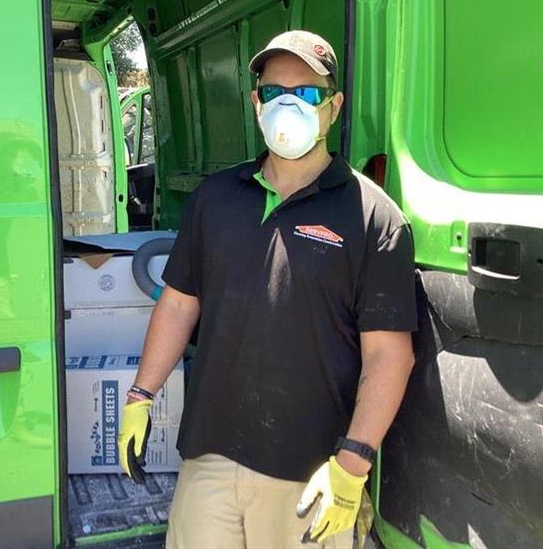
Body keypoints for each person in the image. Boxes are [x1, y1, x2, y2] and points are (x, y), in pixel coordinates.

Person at [118, 30, 417, 548]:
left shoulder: (373, 217)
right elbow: (179, 302)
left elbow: (390, 355)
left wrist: (352, 464)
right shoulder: (215, 199)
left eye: (304, 94)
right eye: (274, 92)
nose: (287, 104)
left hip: (308, 475)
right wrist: (141, 394)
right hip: (209, 459)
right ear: (256, 103)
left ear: (334, 107)